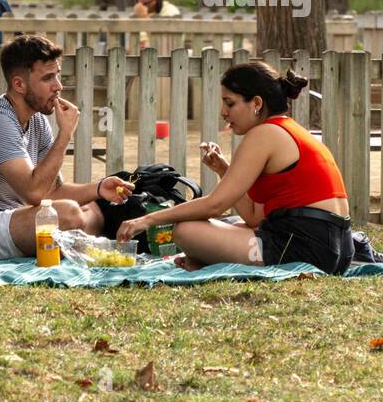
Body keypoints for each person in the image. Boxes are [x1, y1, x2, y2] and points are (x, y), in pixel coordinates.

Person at [115, 62, 355, 274]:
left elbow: (216, 204)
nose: (223, 112)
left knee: (187, 230)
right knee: (228, 224)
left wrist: (147, 219)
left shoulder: (264, 134)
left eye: (230, 103)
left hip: (303, 249)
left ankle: (209, 262)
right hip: (338, 250)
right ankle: (210, 262)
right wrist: (224, 170)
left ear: (257, 103)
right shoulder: (288, 130)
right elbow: (253, 218)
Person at [0, 33, 135, 260]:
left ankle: (79, 239)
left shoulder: (37, 119)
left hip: (7, 219)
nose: (58, 86)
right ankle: (82, 240)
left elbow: (51, 191)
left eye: (57, 75)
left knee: (93, 208)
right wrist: (65, 135)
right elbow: (34, 193)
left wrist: (98, 189)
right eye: (48, 78)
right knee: (69, 214)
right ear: (19, 84)